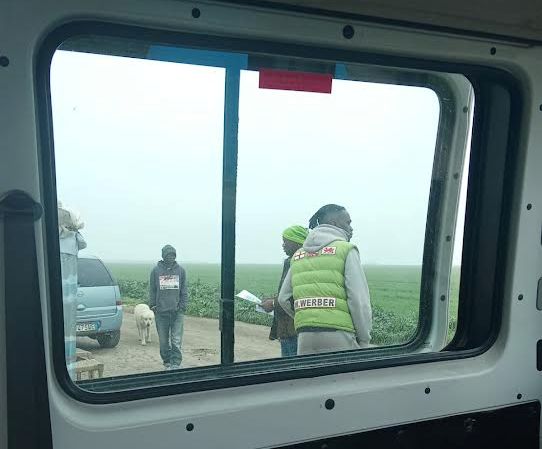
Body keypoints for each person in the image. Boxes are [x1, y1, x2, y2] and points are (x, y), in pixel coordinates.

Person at [278, 204, 372, 355]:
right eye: (348, 223)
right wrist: (364, 339)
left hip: (305, 336)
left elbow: (283, 298)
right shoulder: (346, 249)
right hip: (339, 334)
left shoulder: (298, 255)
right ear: (334, 223)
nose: (351, 228)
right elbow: (359, 301)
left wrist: (305, 317)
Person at [261, 225, 309, 357]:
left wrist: (273, 303)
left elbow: (294, 296)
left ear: (297, 242)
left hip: (293, 328)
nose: (283, 245)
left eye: (286, 241)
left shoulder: (299, 263)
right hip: (288, 329)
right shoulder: (296, 261)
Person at [58, 202, 86, 380]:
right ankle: (67, 373)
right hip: (66, 292)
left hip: (65, 291)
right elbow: (82, 243)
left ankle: (66, 374)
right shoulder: (72, 238)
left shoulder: (66, 237)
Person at [149, 245, 188, 370]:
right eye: (168, 255)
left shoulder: (181, 271)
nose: (171, 257)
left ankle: (176, 364)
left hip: (177, 312)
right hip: (161, 312)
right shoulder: (156, 271)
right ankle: (167, 362)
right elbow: (152, 290)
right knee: (163, 341)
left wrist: (182, 306)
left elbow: (184, 290)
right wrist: (153, 305)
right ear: (163, 256)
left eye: (173, 255)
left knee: (176, 340)